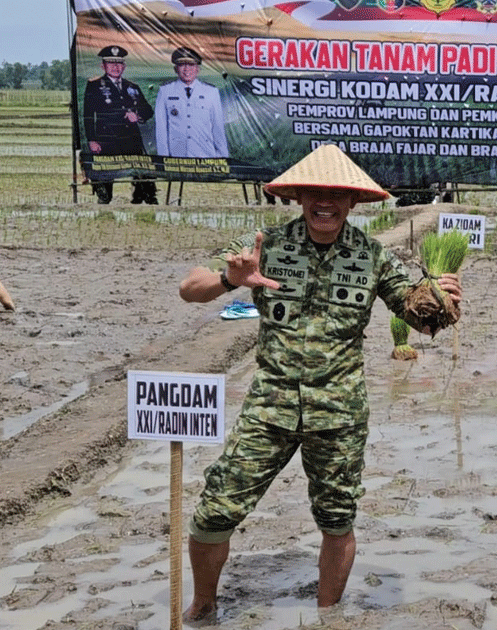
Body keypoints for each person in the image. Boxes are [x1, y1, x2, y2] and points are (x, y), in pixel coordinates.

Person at [176, 144, 462, 622]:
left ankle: (328, 614)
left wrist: (441, 300)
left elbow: (418, 319)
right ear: (300, 197)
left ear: (352, 202)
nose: (324, 201)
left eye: (336, 194)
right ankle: (203, 604)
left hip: (340, 415)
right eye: (315, 192)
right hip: (269, 408)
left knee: (337, 519)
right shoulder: (266, 244)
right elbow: (191, 287)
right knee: (214, 511)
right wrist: (232, 281)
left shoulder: (372, 257)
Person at [81, 45, 158, 204]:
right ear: (103, 66)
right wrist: (91, 140)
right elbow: (88, 115)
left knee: (142, 171)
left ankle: (143, 198)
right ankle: (104, 198)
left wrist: (137, 116)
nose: (115, 67)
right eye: (111, 63)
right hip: (107, 138)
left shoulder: (132, 87)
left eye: (119, 63)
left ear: (124, 66)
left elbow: (148, 111)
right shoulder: (95, 86)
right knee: (106, 173)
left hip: (131, 138)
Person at [155, 46, 229, 158]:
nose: (186, 69)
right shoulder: (165, 91)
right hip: (176, 156)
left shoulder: (211, 92)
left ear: (197, 69)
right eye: (182, 65)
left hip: (205, 154)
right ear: (176, 69)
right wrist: (163, 158)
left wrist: (223, 157)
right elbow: (161, 128)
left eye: (191, 65)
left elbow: (217, 127)